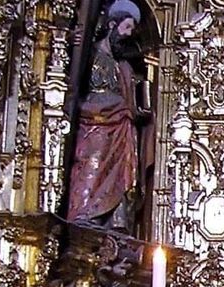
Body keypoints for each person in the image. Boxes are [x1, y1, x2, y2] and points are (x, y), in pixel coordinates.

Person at [65, 0, 147, 229]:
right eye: (127, 27)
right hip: (94, 127)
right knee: (91, 167)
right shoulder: (89, 56)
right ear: (112, 24)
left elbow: (131, 101)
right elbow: (75, 90)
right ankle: (85, 213)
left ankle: (116, 221)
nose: (129, 34)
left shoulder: (124, 66)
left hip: (120, 130)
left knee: (121, 175)